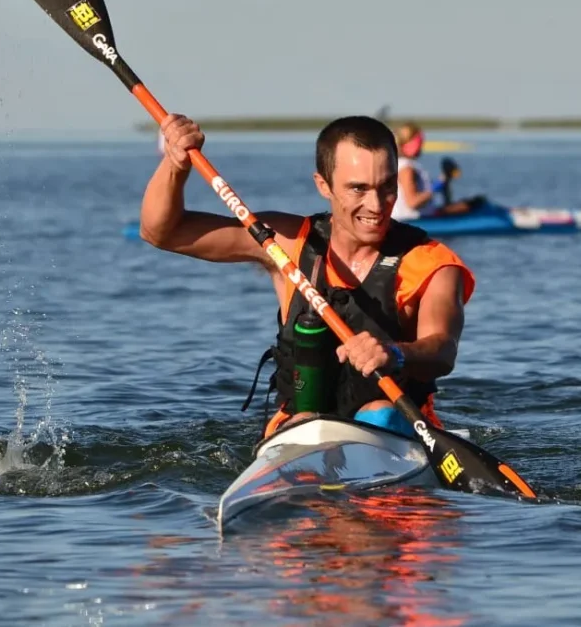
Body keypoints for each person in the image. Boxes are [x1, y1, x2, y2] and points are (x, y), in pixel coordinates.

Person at [139, 113, 475, 440]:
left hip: (394, 427)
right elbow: (162, 232)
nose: (376, 205)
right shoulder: (283, 242)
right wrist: (175, 165)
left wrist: (394, 353)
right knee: (304, 420)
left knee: (378, 412)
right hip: (301, 426)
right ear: (323, 185)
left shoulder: (431, 261)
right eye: (358, 189)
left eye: (387, 187)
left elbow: (443, 350)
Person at [390, 122, 442, 221]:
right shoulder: (406, 169)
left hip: (414, 218)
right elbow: (412, 202)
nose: (422, 146)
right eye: (419, 143)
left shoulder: (399, 164)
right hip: (410, 222)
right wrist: (435, 187)